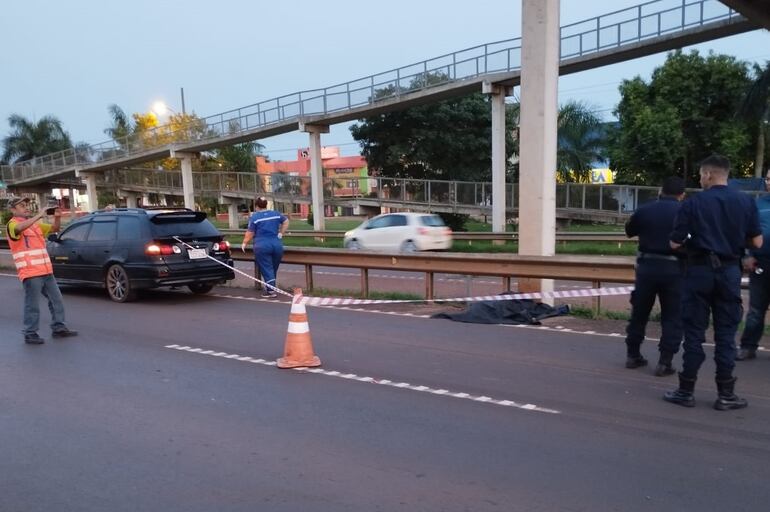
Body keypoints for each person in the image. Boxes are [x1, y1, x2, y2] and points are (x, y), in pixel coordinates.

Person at [665, 155, 762, 411]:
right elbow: (758, 242)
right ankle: (726, 394)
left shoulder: (693, 203)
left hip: (698, 272)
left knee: (694, 332)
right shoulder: (745, 202)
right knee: (726, 334)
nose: (700, 178)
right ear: (726, 174)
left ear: (708, 175)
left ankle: (686, 391)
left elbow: (675, 243)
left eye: (700, 174)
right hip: (730, 272)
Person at [623, 176, 686, 376]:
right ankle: (664, 361)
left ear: (661, 191)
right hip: (675, 270)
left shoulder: (644, 210)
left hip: (646, 268)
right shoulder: (686, 212)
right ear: (682, 195)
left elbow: (629, 231)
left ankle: (633, 355)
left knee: (639, 313)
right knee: (672, 316)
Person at [6, 196, 78, 344]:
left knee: (56, 299)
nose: (26, 207)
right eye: (21, 206)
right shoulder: (12, 225)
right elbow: (19, 229)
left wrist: (57, 218)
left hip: (46, 270)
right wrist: (40, 214)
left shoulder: (34, 225)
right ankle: (30, 332)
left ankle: (58, 327)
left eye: (26, 205)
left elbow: (55, 229)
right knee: (32, 304)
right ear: (13, 210)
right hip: (31, 272)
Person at [736, 168, 770, 361]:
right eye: (767, 179)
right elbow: (746, 232)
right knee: (756, 309)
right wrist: (747, 255)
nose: (769, 182)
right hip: (761, 263)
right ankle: (748, 346)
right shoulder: (758, 204)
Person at [241, 197, 289, 298]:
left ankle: (270, 290)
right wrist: (281, 233)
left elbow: (250, 232)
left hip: (262, 245)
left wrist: (244, 243)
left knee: (267, 268)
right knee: (273, 268)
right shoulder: (276, 214)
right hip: (277, 244)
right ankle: (271, 287)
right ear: (266, 204)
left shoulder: (255, 217)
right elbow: (286, 221)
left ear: (257, 206)